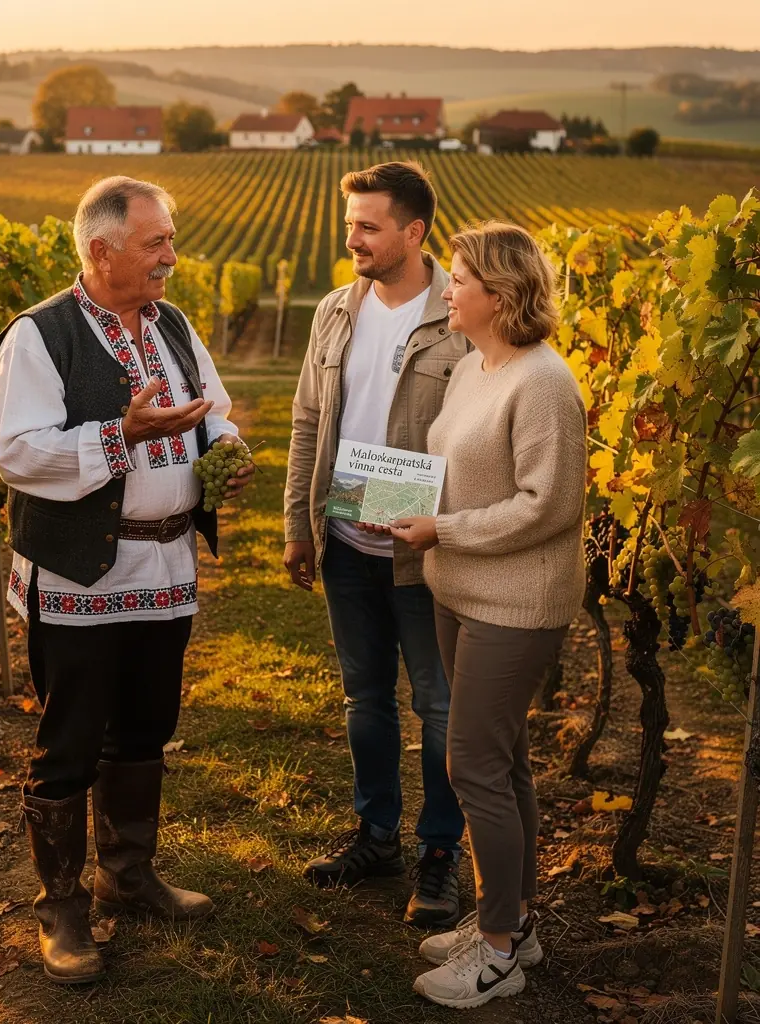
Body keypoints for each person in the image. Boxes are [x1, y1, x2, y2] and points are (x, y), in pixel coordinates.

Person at [0, 176, 254, 985]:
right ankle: (62, 908)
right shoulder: (41, 335)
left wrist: (225, 448)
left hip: (165, 566)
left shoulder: (171, 325)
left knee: (144, 727)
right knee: (69, 742)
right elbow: (19, 450)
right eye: (156, 243)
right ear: (101, 251)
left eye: (170, 239)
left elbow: (214, 407)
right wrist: (121, 433)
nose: (171, 257)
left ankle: (128, 876)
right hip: (79, 574)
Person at [388, 222, 587, 1010]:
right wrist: (402, 508)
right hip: (461, 589)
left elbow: (550, 505)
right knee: (503, 765)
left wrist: (446, 529)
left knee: (471, 765)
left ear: (499, 296)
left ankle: (499, 951)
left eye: (460, 279)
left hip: (518, 602)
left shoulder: (543, 382)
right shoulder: (475, 367)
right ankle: (515, 921)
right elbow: (458, 472)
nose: (447, 289)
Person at [283, 161, 470, 929]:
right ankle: (377, 834)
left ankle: (438, 854)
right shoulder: (335, 310)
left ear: (414, 231)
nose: (351, 237)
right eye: (350, 222)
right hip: (348, 538)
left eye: (368, 225)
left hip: (424, 549)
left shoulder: (458, 317)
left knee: (438, 706)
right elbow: (304, 419)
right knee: (366, 698)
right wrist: (300, 521)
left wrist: (448, 523)